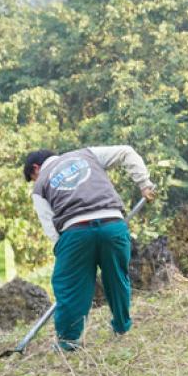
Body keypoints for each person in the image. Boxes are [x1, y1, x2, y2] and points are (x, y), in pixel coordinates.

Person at [23, 146, 157, 351]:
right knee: (117, 278)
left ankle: (68, 341)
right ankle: (122, 327)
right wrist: (144, 184)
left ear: (35, 168)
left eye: (32, 177)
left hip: (75, 231)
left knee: (68, 285)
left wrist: (66, 254)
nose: (35, 179)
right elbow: (126, 152)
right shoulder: (86, 154)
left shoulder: (39, 185)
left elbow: (49, 225)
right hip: (112, 223)